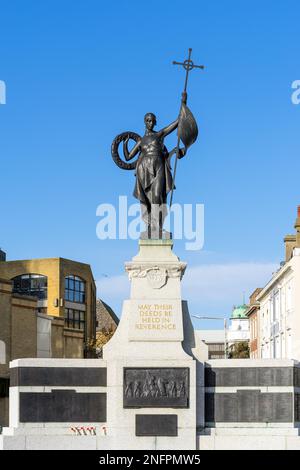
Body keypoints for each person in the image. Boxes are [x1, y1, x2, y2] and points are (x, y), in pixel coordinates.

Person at [123, 112, 186, 237]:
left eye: (152, 121)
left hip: (159, 166)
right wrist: (125, 144)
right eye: (148, 120)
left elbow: (175, 124)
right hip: (144, 170)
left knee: (158, 195)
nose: (150, 123)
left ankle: (157, 228)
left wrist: (183, 104)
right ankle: (151, 227)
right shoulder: (140, 141)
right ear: (145, 122)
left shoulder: (159, 135)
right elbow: (128, 157)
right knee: (148, 199)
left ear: (155, 122)